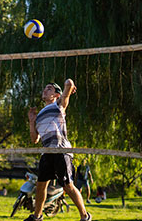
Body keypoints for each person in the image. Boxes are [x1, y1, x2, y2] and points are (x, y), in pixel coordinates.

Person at [25, 80, 92, 221]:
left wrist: (69, 86)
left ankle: (85, 216)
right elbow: (34, 139)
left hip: (61, 151)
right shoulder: (39, 115)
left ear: (56, 95)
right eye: (44, 88)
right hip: (47, 152)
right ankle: (37, 217)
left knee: (68, 186)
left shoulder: (58, 106)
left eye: (49, 89)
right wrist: (32, 121)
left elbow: (68, 86)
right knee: (40, 185)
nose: (45, 90)